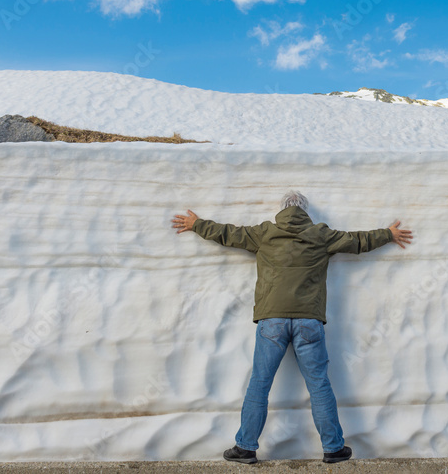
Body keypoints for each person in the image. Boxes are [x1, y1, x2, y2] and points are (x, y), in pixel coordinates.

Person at [172, 191, 413, 464]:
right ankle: (333, 448)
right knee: (319, 385)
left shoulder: (265, 233)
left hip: (271, 320)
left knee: (259, 385)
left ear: (282, 209)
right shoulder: (320, 234)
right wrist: (388, 234)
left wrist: (197, 224)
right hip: (308, 321)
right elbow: (357, 241)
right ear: (305, 210)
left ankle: (246, 448)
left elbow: (229, 233)